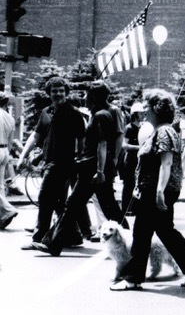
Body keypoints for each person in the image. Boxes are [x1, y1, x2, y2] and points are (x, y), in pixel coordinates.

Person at [110, 89, 185, 291]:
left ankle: (133, 278)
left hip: (155, 191)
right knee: (164, 231)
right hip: (152, 190)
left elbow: (167, 162)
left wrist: (160, 191)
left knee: (142, 233)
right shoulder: (161, 131)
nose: (144, 111)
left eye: (146, 106)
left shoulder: (164, 131)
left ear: (155, 108)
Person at [33, 81, 130, 256]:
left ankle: (53, 244)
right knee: (107, 207)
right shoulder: (103, 113)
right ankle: (130, 241)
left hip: (93, 168)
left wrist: (100, 171)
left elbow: (101, 144)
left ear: (94, 97)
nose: (84, 98)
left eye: (87, 95)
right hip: (96, 168)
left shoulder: (100, 116)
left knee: (75, 205)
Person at [17, 77, 86, 249]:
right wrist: (23, 156)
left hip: (65, 163)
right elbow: (38, 135)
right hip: (49, 161)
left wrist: (80, 160)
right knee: (58, 202)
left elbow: (82, 139)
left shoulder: (73, 113)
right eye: (54, 91)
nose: (58, 94)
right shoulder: (46, 112)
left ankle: (39, 237)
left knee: (45, 197)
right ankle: (74, 235)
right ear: (49, 93)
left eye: (61, 90)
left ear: (66, 92)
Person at [120, 102, 145, 216]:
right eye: (141, 113)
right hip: (130, 159)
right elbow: (124, 145)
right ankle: (125, 209)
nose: (143, 115)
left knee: (137, 184)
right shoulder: (129, 128)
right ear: (135, 114)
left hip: (139, 159)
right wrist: (139, 147)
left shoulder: (142, 127)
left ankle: (135, 208)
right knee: (128, 184)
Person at [0, 92, 18, 229]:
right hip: (4, 150)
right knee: (0, 185)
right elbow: (11, 141)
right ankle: (2, 216)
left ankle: (8, 210)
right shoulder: (9, 118)